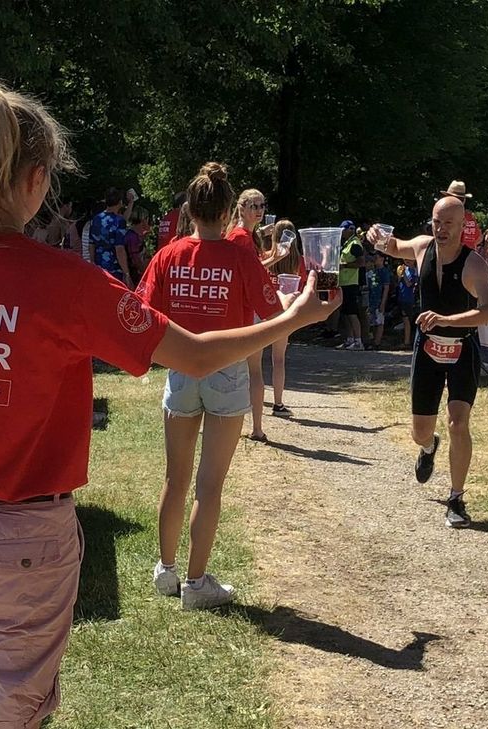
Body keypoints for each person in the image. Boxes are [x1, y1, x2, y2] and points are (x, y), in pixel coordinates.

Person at [0, 75, 340, 729]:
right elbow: (192, 355)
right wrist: (292, 318)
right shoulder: (70, 282)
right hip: (22, 535)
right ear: (35, 179)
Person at [139, 164, 312, 613]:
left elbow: (143, 312)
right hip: (227, 371)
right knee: (209, 485)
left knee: (174, 478)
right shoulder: (239, 256)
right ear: (227, 211)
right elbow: (272, 313)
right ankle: (196, 583)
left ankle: (166, 570)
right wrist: (297, 301)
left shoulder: (168, 255)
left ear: (190, 209)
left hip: (181, 369)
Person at [369, 196, 488, 528]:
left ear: (462, 226)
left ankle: (456, 498)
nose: (441, 230)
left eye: (448, 224)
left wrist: (446, 320)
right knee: (419, 432)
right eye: (436, 222)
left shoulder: (474, 264)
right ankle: (429, 448)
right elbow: (394, 246)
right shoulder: (422, 247)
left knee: (458, 422)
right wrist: (378, 238)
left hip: (462, 348)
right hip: (427, 349)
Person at [226, 188, 276, 441]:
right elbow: (251, 274)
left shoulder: (245, 235)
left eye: (262, 205)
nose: (259, 210)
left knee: (250, 369)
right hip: (245, 309)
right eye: (254, 206)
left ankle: (254, 427)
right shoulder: (241, 237)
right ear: (242, 208)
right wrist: (275, 258)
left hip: (245, 308)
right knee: (250, 370)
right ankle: (252, 427)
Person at [266, 220, 305, 414]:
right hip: (284, 312)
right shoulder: (300, 262)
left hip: (264, 309)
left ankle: (250, 397)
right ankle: (278, 403)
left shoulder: (267, 257)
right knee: (278, 359)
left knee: (251, 360)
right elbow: (303, 288)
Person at [89, 187, 134, 286]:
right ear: (120, 202)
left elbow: (91, 244)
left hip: (99, 267)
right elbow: (119, 249)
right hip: (114, 268)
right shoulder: (119, 221)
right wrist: (127, 273)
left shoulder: (96, 219)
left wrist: (92, 262)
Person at [337, 220, 365, 351]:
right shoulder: (347, 243)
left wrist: (345, 266)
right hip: (343, 282)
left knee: (352, 312)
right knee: (345, 313)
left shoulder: (355, 244)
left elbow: (361, 262)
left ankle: (358, 341)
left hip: (351, 283)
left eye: (343, 230)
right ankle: (350, 339)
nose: (341, 232)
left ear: (349, 230)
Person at [367, 250, 391, 348]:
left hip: (379, 299)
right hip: (371, 299)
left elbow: (386, 288)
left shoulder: (384, 272)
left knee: (380, 321)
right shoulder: (372, 271)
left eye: (376, 258)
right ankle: (372, 340)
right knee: (372, 321)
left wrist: (383, 303)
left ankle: (377, 342)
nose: (374, 260)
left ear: (382, 259)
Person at [123, 206, 150, 282]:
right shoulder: (132, 237)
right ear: (143, 220)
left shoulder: (137, 236)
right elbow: (135, 260)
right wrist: (145, 272)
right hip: (135, 277)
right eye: (147, 219)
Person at [396, 261, 418, 349]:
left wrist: (404, 274)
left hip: (408, 299)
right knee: (404, 319)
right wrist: (399, 275)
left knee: (407, 320)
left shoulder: (415, 271)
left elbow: (409, 284)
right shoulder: (404, 269)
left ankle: (407, 342)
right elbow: (399, 282)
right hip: (401, 296)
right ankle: (406, 340)